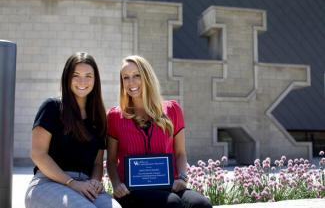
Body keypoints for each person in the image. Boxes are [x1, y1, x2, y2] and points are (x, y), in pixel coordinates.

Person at [107, 55, 212, 208]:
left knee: (201, 204)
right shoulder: (115, 116)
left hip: (170, 184)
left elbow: (180, 153)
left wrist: (182, 178)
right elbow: (110, 161)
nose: (131, 82)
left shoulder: (173, 110)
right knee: (171, 203)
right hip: (132, 191)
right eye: (126, 77)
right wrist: (116, 185)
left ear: (147, 77)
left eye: (137, 75)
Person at [25, 52, 121, 208]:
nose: (82, 81)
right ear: (67, 78)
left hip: (85, 185)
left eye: (88, 76)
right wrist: (71, 183)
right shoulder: (52, 107)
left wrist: (95, 181)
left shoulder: (98, 117)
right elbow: (38, 154)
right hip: (48, 183)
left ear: (95, 80)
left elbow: (97, 163)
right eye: (76, 75)